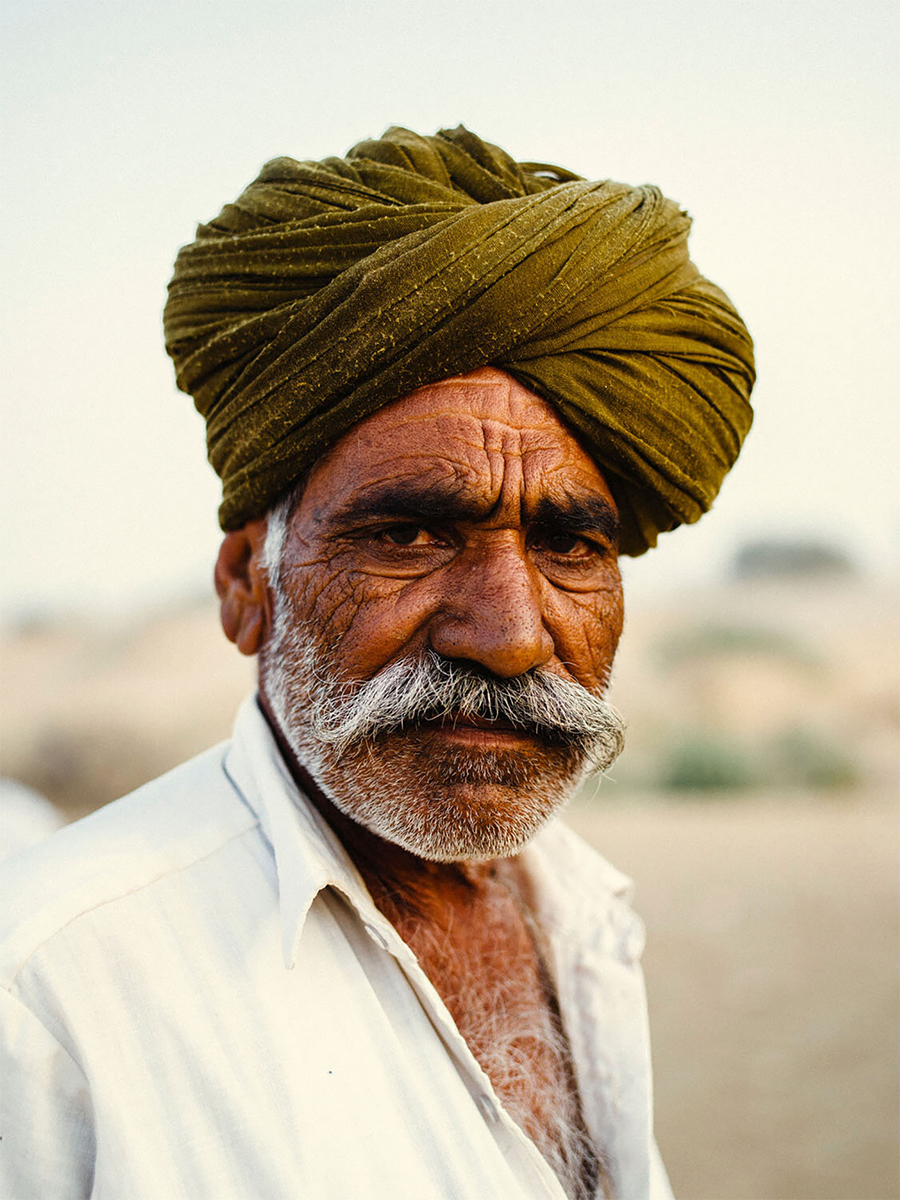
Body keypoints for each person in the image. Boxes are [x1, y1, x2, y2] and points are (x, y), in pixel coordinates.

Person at [0, 127, 754, 1199]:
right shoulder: (45, 996)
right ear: (245, 585)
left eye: (569, 547)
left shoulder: (581, 917)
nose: (509, 635)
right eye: (407, 535)